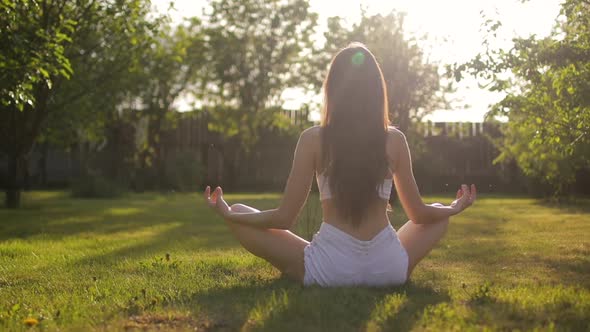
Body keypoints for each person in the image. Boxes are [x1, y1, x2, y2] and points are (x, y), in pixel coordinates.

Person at [203, 42, 476, 287]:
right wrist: (454, 207)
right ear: (376, 91)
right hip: (388, 267)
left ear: (332, 89)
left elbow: (283, 217)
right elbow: (418, 216)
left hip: (329, 268)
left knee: (241, 210)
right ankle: (396, 272)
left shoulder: (312, 139)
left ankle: (301, 265)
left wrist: (230, 214)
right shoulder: (394, 140)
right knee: (439, 212)